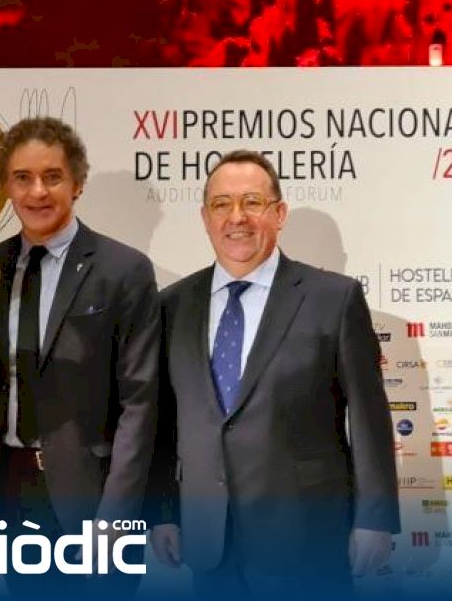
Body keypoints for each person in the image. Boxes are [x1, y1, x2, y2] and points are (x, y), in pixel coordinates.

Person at [148, 149, 399, 599]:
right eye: (221, 204)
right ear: (205, 218)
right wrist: (164, 511)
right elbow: (164, 422)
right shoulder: (172, 305)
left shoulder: (333, 299)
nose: (236, 217)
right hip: (209, 540)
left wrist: (374, 518)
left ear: (279, 214)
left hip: (307, 536)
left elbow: (368, 417)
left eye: (252, 202)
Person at [0, 117, 160, 596]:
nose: (37, 192)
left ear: (77, 183)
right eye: (22, 177)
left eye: (52, 177)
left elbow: (141, 401)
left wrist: (118, 512)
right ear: (6, 186)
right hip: (10, 489)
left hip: (92, 494)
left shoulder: (123, 270)